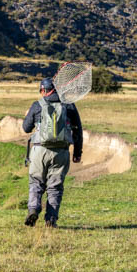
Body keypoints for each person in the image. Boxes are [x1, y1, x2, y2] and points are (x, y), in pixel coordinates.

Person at [22, 77, 82, 228]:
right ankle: (51, 219)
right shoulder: (69, 105)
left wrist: (27, 115)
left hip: (39, 151)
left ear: (43, 90)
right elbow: (78, 131)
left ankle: (33, 209)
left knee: (36, 182)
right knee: (55, 187)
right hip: (61, 152)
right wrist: (77, 152)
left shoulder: (37, 105)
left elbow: (26, 128)